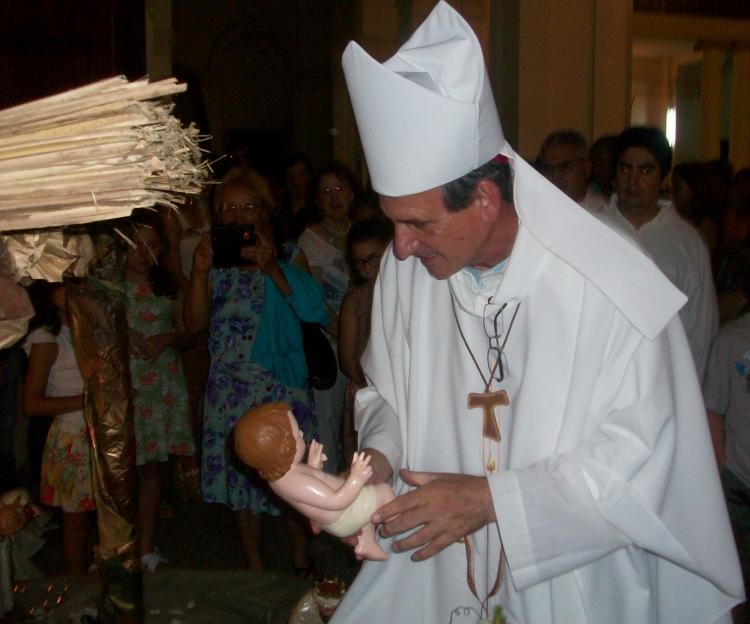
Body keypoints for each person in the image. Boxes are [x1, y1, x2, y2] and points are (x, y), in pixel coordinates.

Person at [334, 2, 743, 622]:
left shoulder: (606, 281)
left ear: (487, 199)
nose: (399, 247)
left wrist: (495, 501)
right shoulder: (406, 269)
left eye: (417, 223)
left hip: (573, 574)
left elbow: (643, 458)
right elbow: (386, 392)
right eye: (393, 221)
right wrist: (379, 462)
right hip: (438, 563)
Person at [184, 167, 329, 573]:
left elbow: (315, 309)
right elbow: (193, 324)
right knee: (243, 478)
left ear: (266, 211)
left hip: (280, 390)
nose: (237, 215)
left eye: (248, 205)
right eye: (227, 207)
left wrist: (273, 269)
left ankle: (302, 556)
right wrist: (197, 274)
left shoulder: (287, 254)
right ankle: (254, 563)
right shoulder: (214, 263)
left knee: (290, 477)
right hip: (229, 391)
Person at [599, 126, 718, 381]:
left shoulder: (687, 243)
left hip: (664, 377)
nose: (633, 181)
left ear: (663, 177)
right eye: (625, 168)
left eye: (645, 170)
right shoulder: (590, 229)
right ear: (614, 174)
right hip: (600, 374)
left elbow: (700, 327)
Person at [124, 209, 197, 572]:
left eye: (151, 245)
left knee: (153, 470)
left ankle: (147, 545)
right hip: (127, 388)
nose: (142, 252)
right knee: (122, 470)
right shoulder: (108, 288)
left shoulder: (169, 285)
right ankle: (119, 543)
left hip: (161, 386)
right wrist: (124, 336)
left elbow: (189, 333)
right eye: (135, 245)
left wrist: (167, 337)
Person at [233, 401, 394, 560]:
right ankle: (398, 525)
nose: (302, 434)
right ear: (284, 448)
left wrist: (313, 466)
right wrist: (356, 479)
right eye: (297, 434)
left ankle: (366, 542)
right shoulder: (293, 481)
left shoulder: (285, 475)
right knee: (383, 491)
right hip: (342, 514)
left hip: (334, 514)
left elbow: (310, 488)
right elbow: (335, 501)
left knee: (367, 509)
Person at [22, 281, 95, 575]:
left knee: (99, 521)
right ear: (48, 294)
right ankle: (77, 591)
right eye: (63, 286)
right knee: (75, 526)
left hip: (97, 435)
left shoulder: (89, 330)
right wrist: (86, 401)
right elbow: (32, 404)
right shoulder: (47, 339)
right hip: (72, 437)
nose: (73, 292)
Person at [294, 162, 358, 473]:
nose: (334, 197)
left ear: (352, 192)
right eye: (325, 191)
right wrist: (345, 333)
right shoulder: (310, 240)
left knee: (360, 418)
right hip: (329, 343)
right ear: (317, 201)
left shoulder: (363, 233)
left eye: (340, 188)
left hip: (363, 339)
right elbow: (314, 300)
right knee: (329, 420)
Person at [704, 247, 750, 624]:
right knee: (736, 581)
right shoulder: (731, 341)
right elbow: (714, 410)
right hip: (739, 485)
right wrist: (720, 473)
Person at [338, 218, 392, 463]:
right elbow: (348, 359)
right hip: (365, 387)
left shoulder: (403, 291)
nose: (367, 267)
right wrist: (373, 388)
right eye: (359, 262)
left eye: (373, 258)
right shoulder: (355, 299)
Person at [538, 130, 605, 213]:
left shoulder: (603, 214)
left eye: (564, 167)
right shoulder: (535, 208)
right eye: (548, 169)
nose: (555, 175)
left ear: (586, 168)